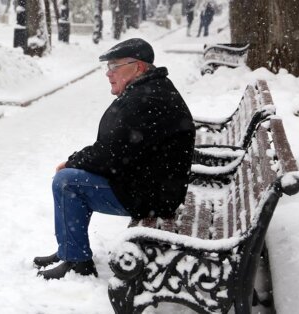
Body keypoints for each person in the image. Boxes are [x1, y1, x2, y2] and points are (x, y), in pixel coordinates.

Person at [34, 38, 196, 280]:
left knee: (67, 182)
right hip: (153, 185)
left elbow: (111, 155)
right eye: (107, 67)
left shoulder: (145, 99)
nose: (108, 74)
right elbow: (115, 150)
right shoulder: (150, 90)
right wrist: (81, 160)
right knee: (75, 177)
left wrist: (73, 162)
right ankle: (68, 248)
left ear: (138, 67)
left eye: (114, 66)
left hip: (152, 195)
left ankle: (76, 261)